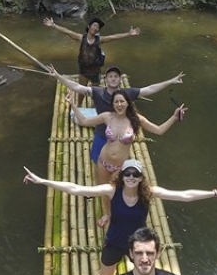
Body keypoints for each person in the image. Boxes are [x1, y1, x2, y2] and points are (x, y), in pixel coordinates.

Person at [23, 159, 217, 275]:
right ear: (122, 175)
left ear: (141, 177)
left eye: (135, 175)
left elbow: (183, 195)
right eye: (127, 174)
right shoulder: (112, 190)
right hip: (115, 240)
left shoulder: (148, 193)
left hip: (138, 243)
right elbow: (76, 189)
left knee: (146, 273)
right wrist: (42, 181)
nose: (131, 178)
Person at [67, 90, 187, 226]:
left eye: (122, 101)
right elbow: (84, 120)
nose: (119, 104)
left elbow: (159, 130)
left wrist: (174, 117)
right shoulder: (107, 117)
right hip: (103, 161)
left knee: (117, 191)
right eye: (116, 101)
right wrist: (72, 104)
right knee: (104, 190)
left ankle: (118, 215)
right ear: (112, 104)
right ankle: (108, 214)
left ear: (128, 103)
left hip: (120, 166)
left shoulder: (136, 119)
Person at [48, 63, 184, 168]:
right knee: (97, 162)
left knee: (118, 165)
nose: (113, 78)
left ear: (120, 79)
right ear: (105, 79)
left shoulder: (126, 94)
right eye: (110, 76)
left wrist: (170, 81)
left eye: (116, 76)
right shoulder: (98, 92)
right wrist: (58, 76)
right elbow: (77, 87)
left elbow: (149, 89)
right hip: (102, 133)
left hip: (120, 137)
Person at [42, 16, 141, 85]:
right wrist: (54, 25)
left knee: (95, 92)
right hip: (84, 70)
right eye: (94, 25)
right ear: (89, 27)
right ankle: (80, 106)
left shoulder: (100, 40)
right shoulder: (81, 38)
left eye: (97, 27)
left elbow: (113, 37)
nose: (95, 28)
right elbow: (68, 32)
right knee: (81, 90)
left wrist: (128, 34)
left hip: (95, 70)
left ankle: (95, 109)